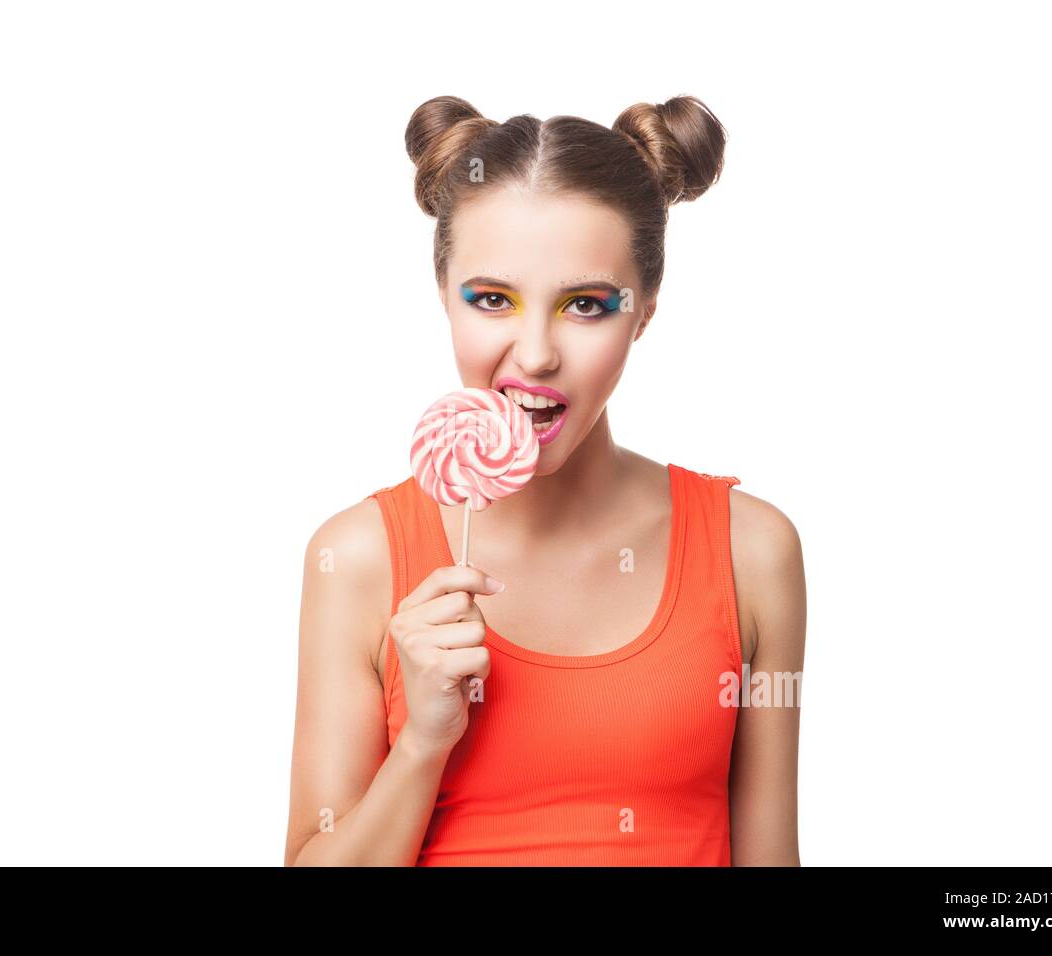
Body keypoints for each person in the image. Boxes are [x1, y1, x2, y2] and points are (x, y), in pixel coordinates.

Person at [285, 95, 806, 866]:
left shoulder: (752, 550)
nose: (534, 355)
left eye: (585, 305)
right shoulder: (356, 559)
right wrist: (423, 744)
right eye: (492, 299)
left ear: (645, 312)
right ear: (444, 298)